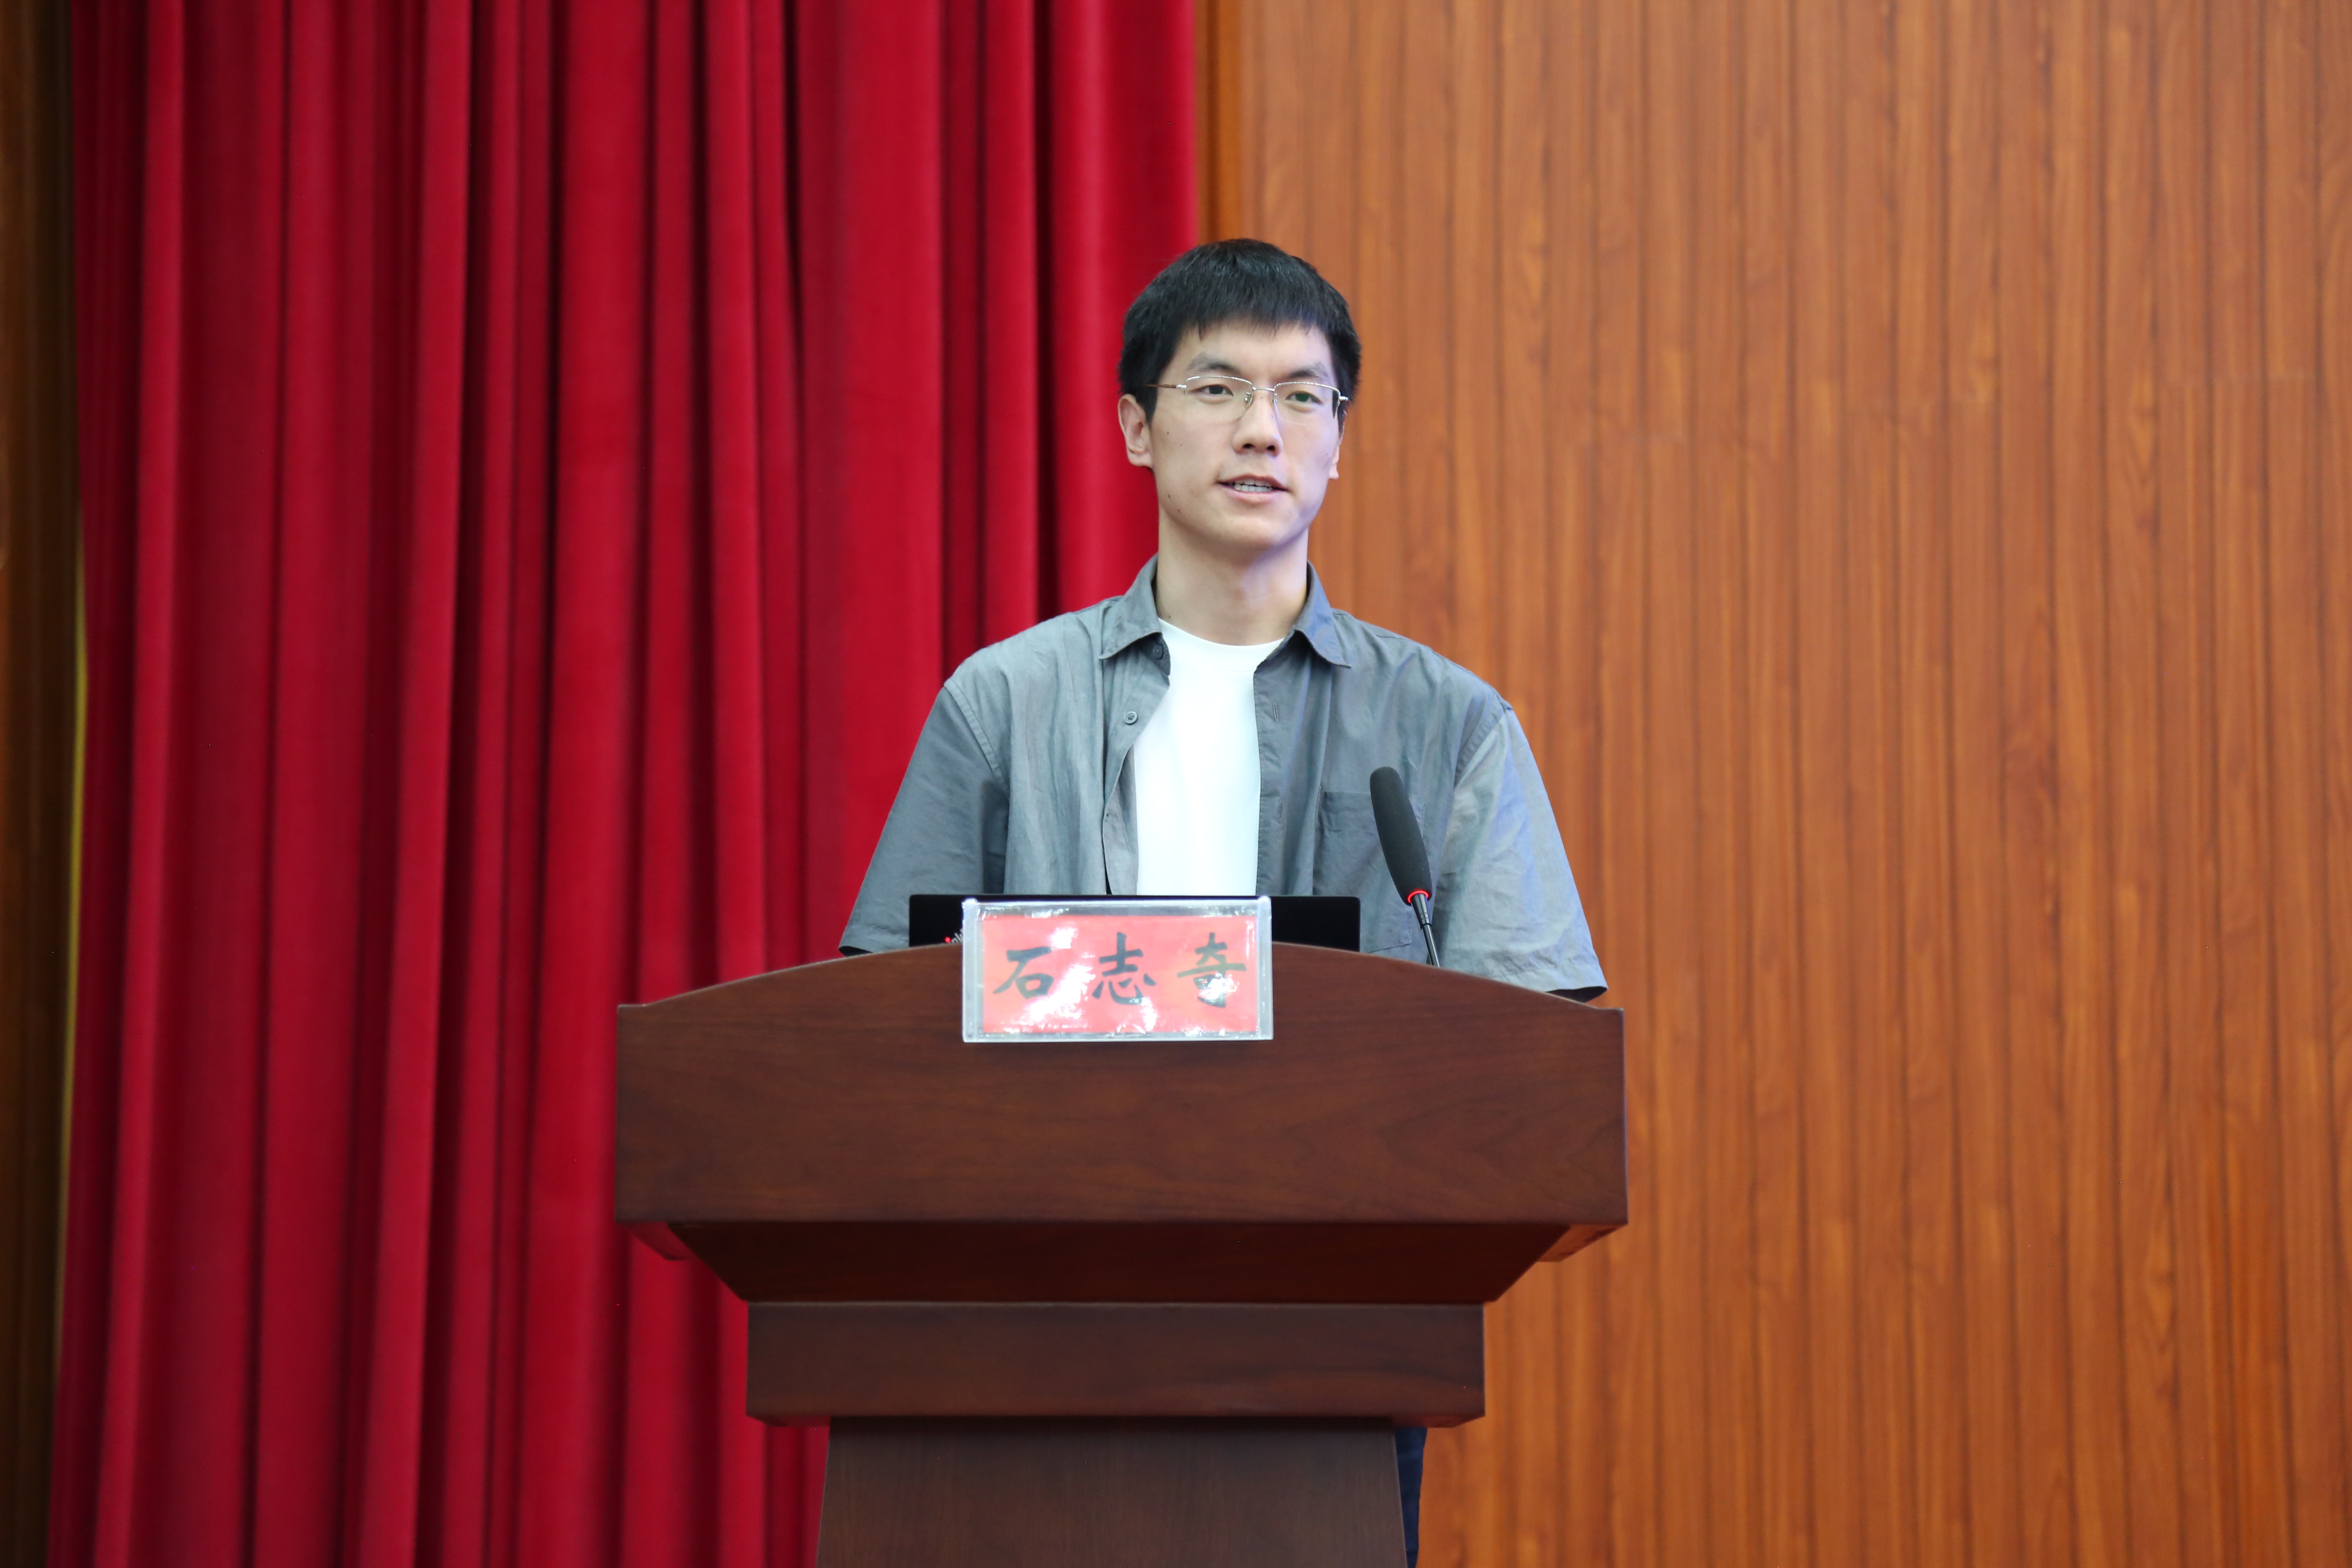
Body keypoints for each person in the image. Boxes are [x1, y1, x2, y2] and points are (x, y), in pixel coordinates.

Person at [839, 238, 1606, 1566]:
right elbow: (879, 1026)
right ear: (1137, 428)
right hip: (1032, 1325)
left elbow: (1529, 1062)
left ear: (1339, 444)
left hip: (1325, 1332)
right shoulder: (1005, 702)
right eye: (1218, 389)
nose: (1264, 430)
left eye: (1304, 396)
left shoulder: (1446, 725)